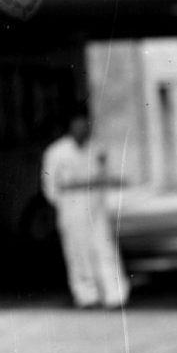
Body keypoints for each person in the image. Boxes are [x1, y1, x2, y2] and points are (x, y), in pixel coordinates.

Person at [40, 110, 129, 309]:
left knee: (104, 249)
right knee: (78, 252)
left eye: (85, 125)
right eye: (78, 125)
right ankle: (86, 295)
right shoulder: (56, 152)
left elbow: (107, 174)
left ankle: (115, 294)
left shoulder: (97, 149)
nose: (82, 129)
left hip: (95, 205)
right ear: (70, 126)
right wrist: (64, 203)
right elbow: (50, 186)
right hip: (71, 206)